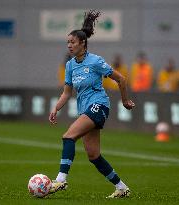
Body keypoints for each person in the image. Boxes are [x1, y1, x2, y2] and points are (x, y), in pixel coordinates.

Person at [49, 10, 135, 199]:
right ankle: (122, 187)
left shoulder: (95, 61)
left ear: (83, 43)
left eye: (73, 42)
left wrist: (125, 100)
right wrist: (56, 108)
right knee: (94, 156)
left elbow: (121, 79)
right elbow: (66, 92)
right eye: (68, 42)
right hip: (85, 109)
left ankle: (61, 180)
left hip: (99, 105)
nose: (69, 45)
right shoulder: (71, 65)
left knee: (69, 136)